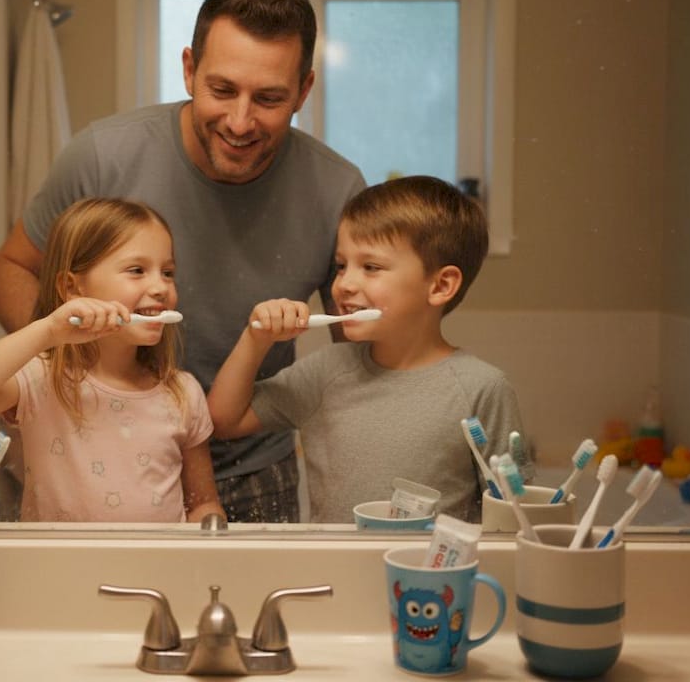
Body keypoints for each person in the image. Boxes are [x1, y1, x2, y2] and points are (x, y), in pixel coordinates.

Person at [0, 0, 366, 523]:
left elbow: (350, 359)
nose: (240, 122)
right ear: (189, 69)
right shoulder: (102, 157)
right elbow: (13, 266)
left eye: (268, 99)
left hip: (255, 469)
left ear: (303, 92)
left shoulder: (337, 190)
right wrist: (63, 367)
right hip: (96, 450)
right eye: (221, 90)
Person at [206, 176, 527, 523]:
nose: (344, 284)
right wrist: (257, 340)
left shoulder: (482, 388)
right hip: (335, 571)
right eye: (342, 266)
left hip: (430, 576)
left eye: (370, 267)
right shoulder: (325, 373)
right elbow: (223, 421)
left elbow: (513, 514)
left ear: (441, 285)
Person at [0, 198, 224, 523]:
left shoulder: (182, 393)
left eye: (168, 272)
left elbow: (202, 503)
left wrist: (210, 526)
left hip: (156, 571)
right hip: (59, 570)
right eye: (137, 270)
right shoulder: (40, 378)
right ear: (72, 287)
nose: (160, 287)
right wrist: (46, 331)